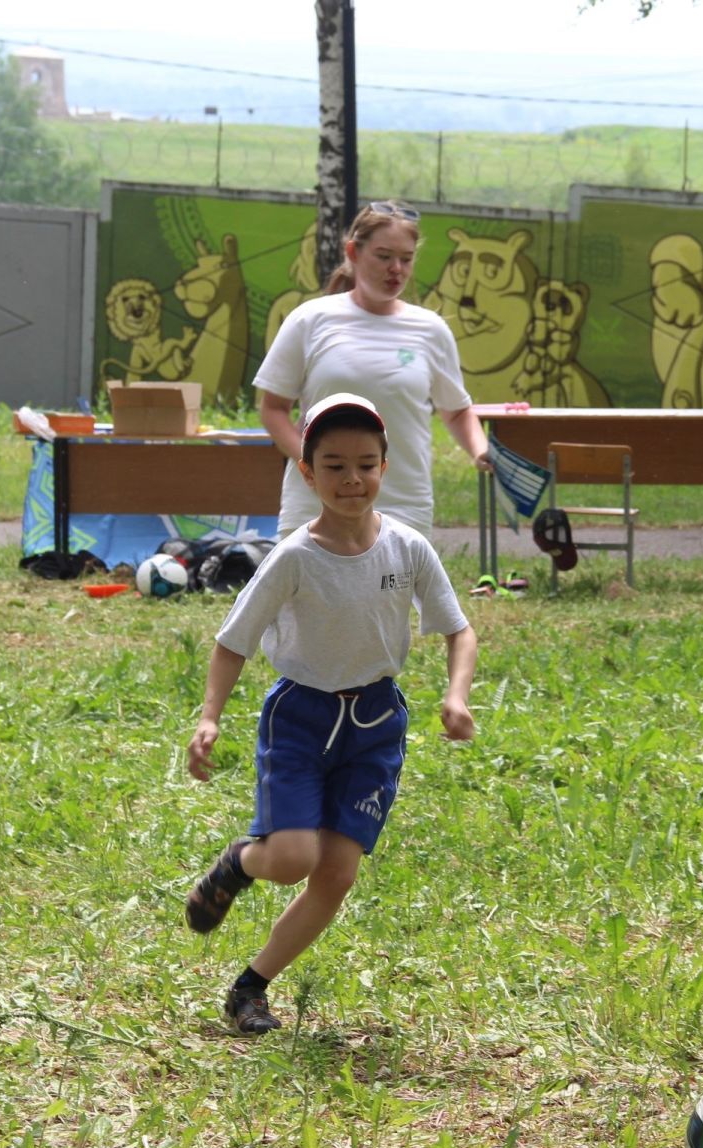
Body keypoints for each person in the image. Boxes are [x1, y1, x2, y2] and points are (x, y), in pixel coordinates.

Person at [182, 392, 478, 1035]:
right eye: (335, 466)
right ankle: (240, 862)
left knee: (336, 873)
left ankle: (250, 988)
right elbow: (233, 641)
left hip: (376, 722)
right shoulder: (294, 556)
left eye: (366, 465)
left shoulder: (407, 548)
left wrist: (456, 695)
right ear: (307, 473)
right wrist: (209, 718)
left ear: (384, 468)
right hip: (301, 717)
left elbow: (459, 630)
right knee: (291, 858)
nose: (352, 479)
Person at [253, 201, 492, 540]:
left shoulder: (431, 329)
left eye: (406, 259)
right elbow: (273, 409)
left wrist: (481, 450)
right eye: (383, 256)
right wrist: (312, 467)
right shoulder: (310, 319)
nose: (396, 268)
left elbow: (456, 412)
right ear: (353, 252)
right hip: (314, 505)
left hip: (403, 505)